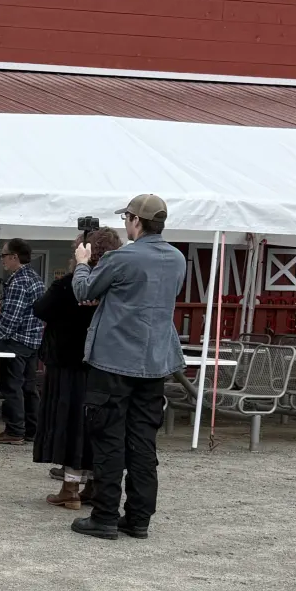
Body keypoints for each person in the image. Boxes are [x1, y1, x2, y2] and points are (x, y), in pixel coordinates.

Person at [69, 194, 188, 540]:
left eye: (127, 219)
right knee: (142, 441)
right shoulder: (177, 259)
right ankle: (138, 518)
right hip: (155, 361)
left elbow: (84, 291)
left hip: (114, 360)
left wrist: (82, 262)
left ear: (136, 220)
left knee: (108, 438)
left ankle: (105, 514)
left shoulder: (124, 257)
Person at [34, 228, 122, 509]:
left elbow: (40, 309)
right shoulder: (115, 286)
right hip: (103, 364)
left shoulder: (69, 284)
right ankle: (95, 485)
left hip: (66, 365)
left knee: (69, 424)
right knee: (98, 427)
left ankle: (70, 487)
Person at [0, 238, 46, 445]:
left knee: (12, 387)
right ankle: (32, 429)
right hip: (33, 340)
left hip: (16, 342)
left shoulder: (19, 281)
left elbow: (11, 318)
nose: (2, 259)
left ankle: (14, 430)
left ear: (14, 257)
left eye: (4, 255)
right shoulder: (36, 278)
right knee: (29, 388)